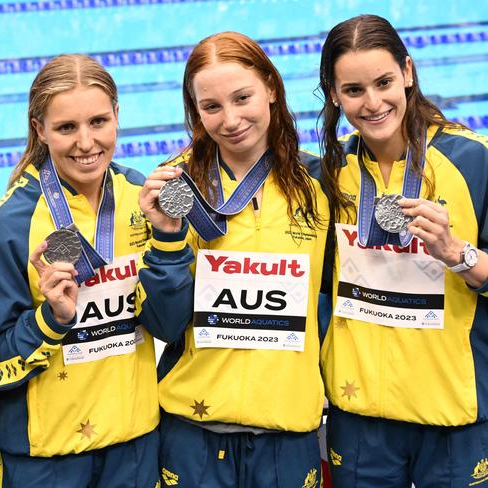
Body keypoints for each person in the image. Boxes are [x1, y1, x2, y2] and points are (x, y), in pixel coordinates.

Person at [136, 31, 329, 488]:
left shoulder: (320, 183)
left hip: (288, 431)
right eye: (211, 107)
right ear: (196, 111)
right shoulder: (175, 189)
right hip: (193, 432)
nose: (230, 119)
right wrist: (166, 236)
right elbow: (164, 323)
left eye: (242, 97)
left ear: (271, 88)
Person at [0, 54, 159, 488]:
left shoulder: (141, 199)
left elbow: (168, 322)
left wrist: (167, 245)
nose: (86, 143)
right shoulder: (10, 223)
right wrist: (49, 320)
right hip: (46, 458)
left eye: (98, 122)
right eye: (66, 128)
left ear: (117, 117)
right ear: (40, 130)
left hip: (134, 447)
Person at [317, 14, 488, 487]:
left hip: (453, 413)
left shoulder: (472, 160)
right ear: (334, 94)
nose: (372, 103)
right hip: (360, 417)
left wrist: (458, 253)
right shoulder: (329, 174)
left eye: (384, 82)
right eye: (353, 90)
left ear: (408, 73)